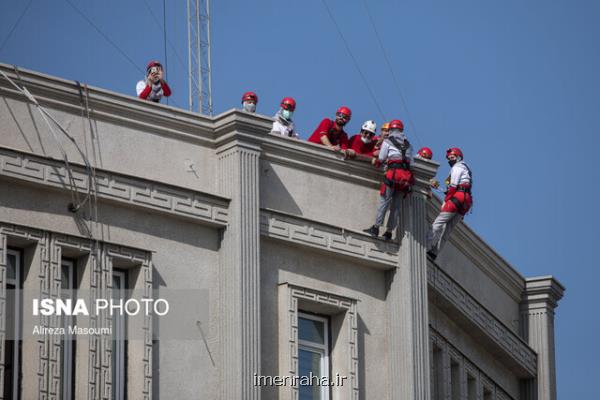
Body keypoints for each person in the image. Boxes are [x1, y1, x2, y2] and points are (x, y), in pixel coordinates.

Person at [363, 119, 414, 240]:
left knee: (384, 202)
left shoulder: (388, 141)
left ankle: (376, 228)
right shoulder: (408, 145)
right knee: (396, 206)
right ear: (401, 130)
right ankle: (389, 232)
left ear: (391, 129)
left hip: (392, 174)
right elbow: (411, 164)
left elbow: (381, 157)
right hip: (404, 178)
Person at [426, 147, 473, 260]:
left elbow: (453, 186)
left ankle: (425, 245)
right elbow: (461, 186)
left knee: (438, 222)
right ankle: (435, 252)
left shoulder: (457, 167)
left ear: (458, 157)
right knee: (448, 229)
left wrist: (446, 200)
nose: (449, 160)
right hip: (466, 201)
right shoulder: (466, 169)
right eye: (448, 158)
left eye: (452, 157)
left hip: (458, 198)